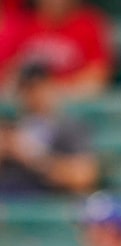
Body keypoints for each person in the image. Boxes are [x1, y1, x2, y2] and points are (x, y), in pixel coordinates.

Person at [0, 61, 99, 195]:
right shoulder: (11, 128)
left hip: (48, 202)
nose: (32, 95)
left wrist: (34, 157)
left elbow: (83, 177)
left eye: (37, 87)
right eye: (26, 89)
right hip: (9, 202)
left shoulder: (69, 127)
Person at [0, 0, 115, 98]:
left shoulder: (89, 24)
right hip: (26, 107)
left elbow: (98, 76)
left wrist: (56, 90)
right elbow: (8, 76)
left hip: (71, 108)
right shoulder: (21, 25)